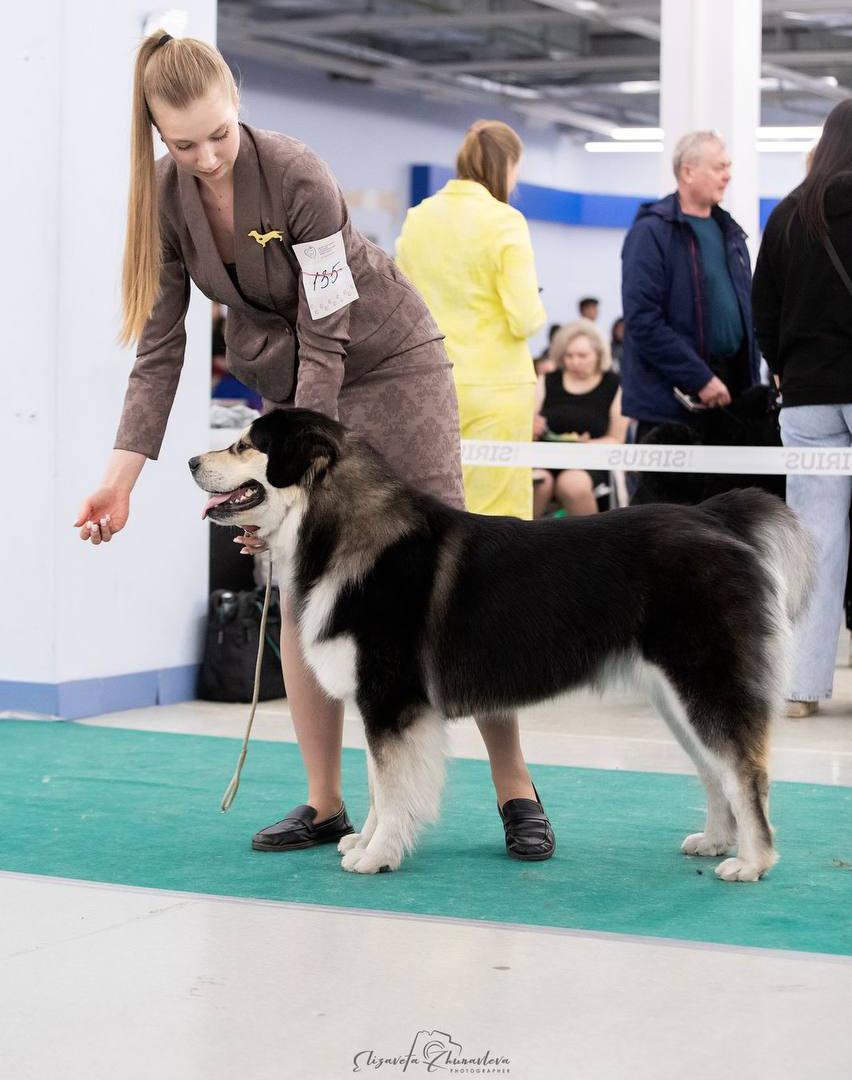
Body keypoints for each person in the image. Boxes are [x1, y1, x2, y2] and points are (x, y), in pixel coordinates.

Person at [74, 32, 554, 861]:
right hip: (293, 391)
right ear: (156, 134)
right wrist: (121, 478)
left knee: (449, 580)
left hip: (388, 365)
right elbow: (161, 350)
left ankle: (515, 786)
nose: (207, 157)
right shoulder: (164, 199)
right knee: (304, 590)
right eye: (184, 145)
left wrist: (292, 482)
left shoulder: (296, 172)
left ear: (237, 103)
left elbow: (328, 333)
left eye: (218, 134)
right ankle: (326, 802)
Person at [752, 98, 852, 719]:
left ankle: (801, 688)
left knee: (813, 540)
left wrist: (784, 363)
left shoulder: (790, 212)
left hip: (808, 397)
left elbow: (763, 306)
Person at [396, 119, 547, 520]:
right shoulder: (505, 220)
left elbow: (403, 303)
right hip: (497, 387)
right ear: (507, 164)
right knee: (498, 515)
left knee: (437, 509)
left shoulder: (418, 218)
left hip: (432, 381)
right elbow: (524, 318)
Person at [620, 131, 759, 442]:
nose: (728, 175)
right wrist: (699, 378)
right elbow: (643, 319)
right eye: (719, 167)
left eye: (728, 166)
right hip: (672, 403)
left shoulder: (730, 233)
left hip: (729, 395)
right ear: (688, 172)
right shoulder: (652, 233)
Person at [533, 319, 628, 518]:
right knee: (539, 482)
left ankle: (592, 537)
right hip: (544, 458)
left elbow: (616, 439)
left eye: (582, 356)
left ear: (598, 354)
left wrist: (586, 444)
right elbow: (529, 422)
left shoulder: (614, 385)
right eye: (569, 356)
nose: (575, 362)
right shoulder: (546, 381)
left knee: (572, 484)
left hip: (589, 462)